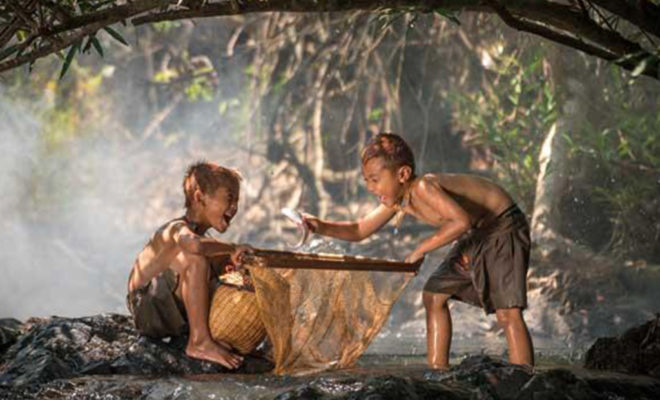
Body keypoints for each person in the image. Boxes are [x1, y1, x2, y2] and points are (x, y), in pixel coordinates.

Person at [303, 133, 534, 370]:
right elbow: (360, 230)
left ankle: (523, 378)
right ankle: (438, 371)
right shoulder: (396, 200)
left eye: (375, 179)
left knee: (508, 313)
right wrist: (318, 225)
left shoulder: (423, 186)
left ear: (402, 174)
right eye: (366, 181)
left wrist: (419, 250)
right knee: (434, 296)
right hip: (478, 232)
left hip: (502, 224)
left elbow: (460, 222)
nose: (370, 188)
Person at [127, 161, 253, 369]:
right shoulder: (175, 229)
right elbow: (193, 245)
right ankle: (200, 342)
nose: (234, 208)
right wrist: (232, 248)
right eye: (229, 199)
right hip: (147, 310)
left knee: (227, 265)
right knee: (196, 259)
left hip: (169, 313)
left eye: (237, 201)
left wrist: (232, 262)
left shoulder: (205, 241)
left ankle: (210, 335)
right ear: (198, 197)